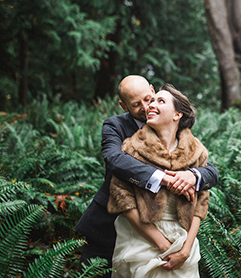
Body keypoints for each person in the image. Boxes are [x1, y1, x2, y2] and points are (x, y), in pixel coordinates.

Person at [75, 76, 218, 276]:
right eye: (136, 104)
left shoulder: (176, 128)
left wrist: (193, 175)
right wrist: (163, 178)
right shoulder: (116, 127)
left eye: (148, 98)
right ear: (123, 106)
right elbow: (114, 158)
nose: (146, 106)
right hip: (110, 222)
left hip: (168, 229)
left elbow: (209, 170)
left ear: (152, 90)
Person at [107, 84, 208, 277]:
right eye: (152, 101)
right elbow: (122, 198)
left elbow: (201, 202)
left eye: (159, 101)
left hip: (183, 240)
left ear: (177, 115)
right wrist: (162, 243)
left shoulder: (196, 151)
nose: (150, 106)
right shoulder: (131, 147)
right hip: (140, 239)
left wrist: (185, 250)